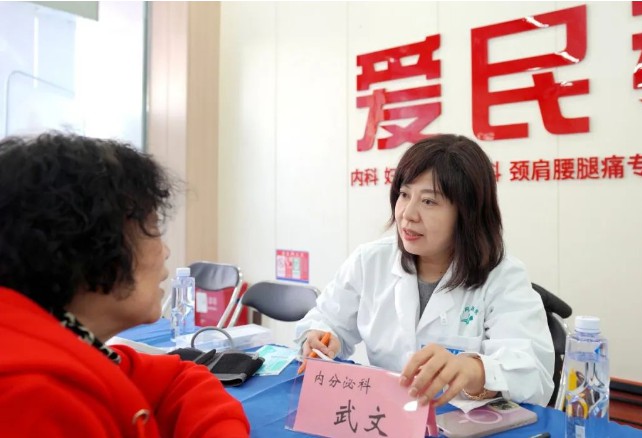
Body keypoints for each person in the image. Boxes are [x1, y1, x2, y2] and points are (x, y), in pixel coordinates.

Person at [0, 133, 250, 437]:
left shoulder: (72, 351)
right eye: (153, 227)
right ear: (94, 245)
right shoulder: (33, 398)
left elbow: (179, 380)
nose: (165, 252)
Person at [296, 134, 555, 407]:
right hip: (383, 415)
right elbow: (326, 320)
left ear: (467, 213)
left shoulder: (503, 276)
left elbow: (534, 374)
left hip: (461, 421)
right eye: (404, 195)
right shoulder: (369, 261)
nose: (407, 214)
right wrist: (321, 338)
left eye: (429, 201)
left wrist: (474, 370)